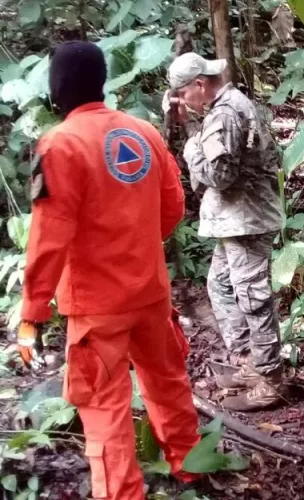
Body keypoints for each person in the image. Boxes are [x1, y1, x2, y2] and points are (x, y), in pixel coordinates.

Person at [17, 41, 200, 500]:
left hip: (97, 308)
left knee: (104, 407)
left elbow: (48, 237)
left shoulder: (60, 144)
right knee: (168, 381)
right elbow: (173, 206)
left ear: (58, 89)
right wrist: (135, 243)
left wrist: (32, 313)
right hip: (151, 293)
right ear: (101, 81)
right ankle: (190, 466)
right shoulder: (143, 132)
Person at [166, 52, 284, 411]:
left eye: (182, 94)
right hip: (236, 218)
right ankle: (251, 361)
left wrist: (189, 143)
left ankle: (270, 377)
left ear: (200, 85)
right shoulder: (222, 109)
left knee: (251, 295)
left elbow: (219, 176)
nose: (182, 102)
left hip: (246, 218)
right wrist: (191, 126)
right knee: (220, 285)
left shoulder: (225, 113)